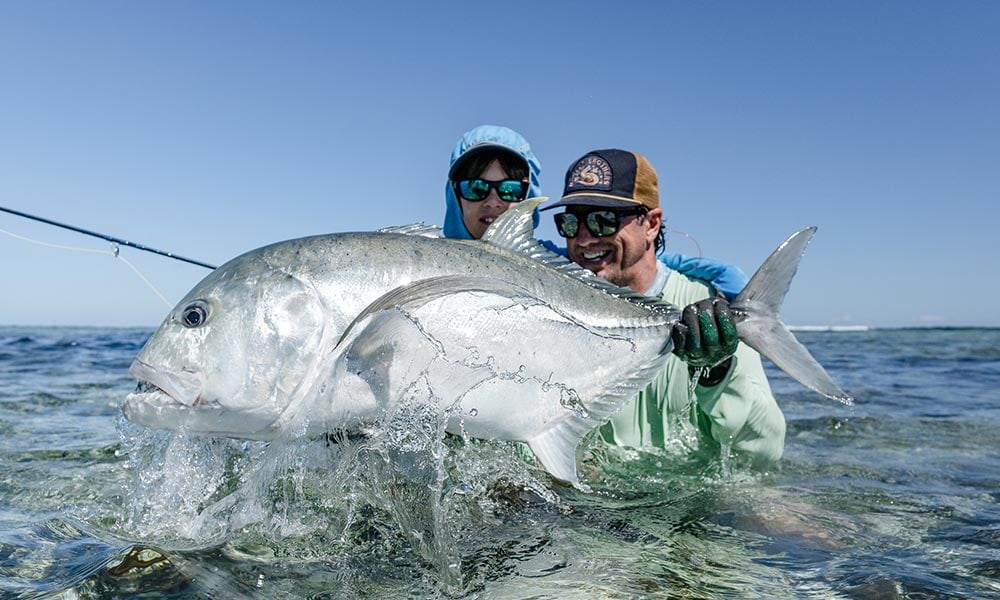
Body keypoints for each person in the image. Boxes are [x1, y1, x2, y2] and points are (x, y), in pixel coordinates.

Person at [541, 149, 785, 466]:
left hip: (695, 509)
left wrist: (717, 373)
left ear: (652, 224)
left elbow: (764, 452)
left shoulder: (709, 309)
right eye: (571, 222)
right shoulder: (552, 311)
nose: (584, 239)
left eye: (603, 220)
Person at [444, 125, 749, 300]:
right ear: (454, 193)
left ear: (530, 196)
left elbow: (633, 260)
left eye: (510, 190)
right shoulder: (423, 258)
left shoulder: (548, 263)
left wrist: (729, 283)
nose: (494, 201)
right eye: (475, 188)